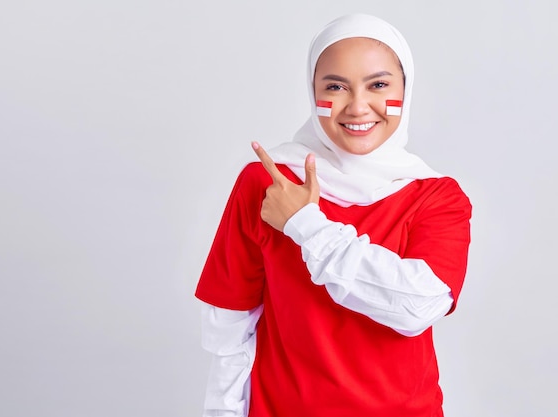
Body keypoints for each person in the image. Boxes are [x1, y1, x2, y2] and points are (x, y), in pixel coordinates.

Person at [195, 13, 472, 417]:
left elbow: (418, 307)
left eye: (378, 85)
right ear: (312, 92)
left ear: (405, 90)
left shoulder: (435, 196)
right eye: (335, 87)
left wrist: (306, 226)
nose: (358, 106)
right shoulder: (268, 183)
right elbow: (231, 324)